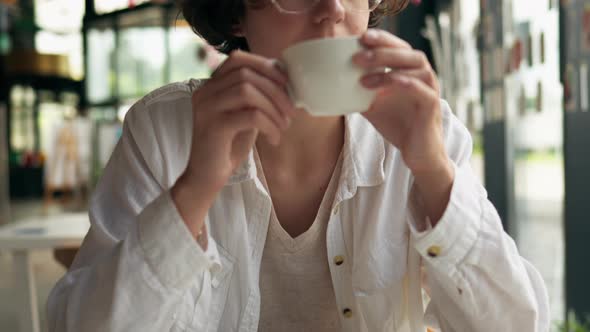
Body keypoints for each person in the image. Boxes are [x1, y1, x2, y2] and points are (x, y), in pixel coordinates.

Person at [47, 0, 550, 331]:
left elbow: (518, 324)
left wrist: (436, 175)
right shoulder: (165, 132)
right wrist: (195, 192)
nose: (332, 9)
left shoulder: (423, 131)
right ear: (237, 12)